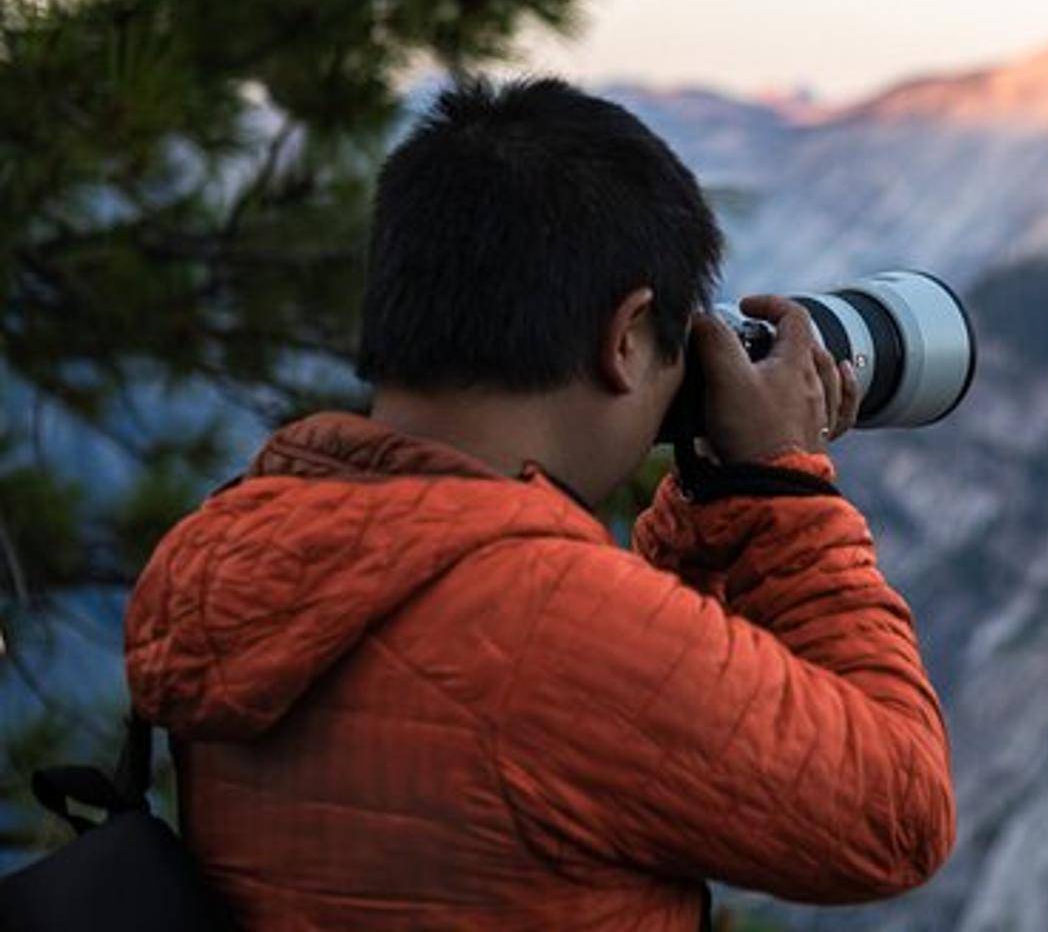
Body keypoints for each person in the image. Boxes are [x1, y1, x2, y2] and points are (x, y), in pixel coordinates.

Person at [123, 78, 955, 929]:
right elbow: (898, 813)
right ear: (627, 337)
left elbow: (574, 721)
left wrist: (716, 501)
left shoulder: (238, 542)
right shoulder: (543, 626)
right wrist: (780, 489)